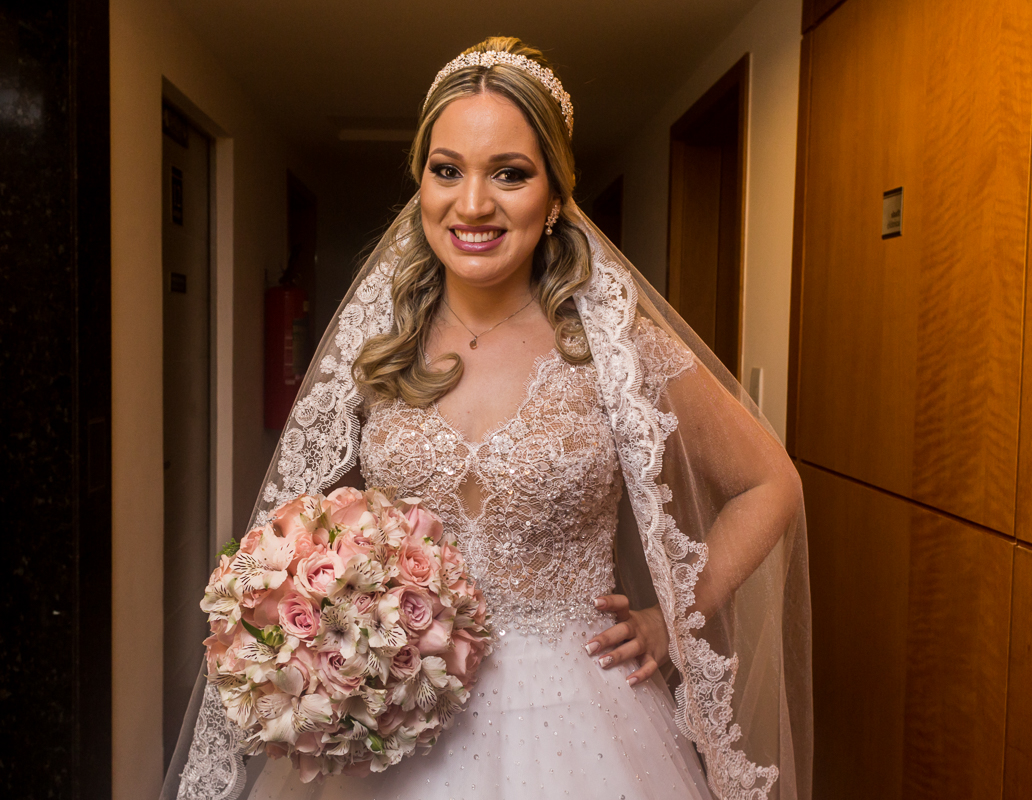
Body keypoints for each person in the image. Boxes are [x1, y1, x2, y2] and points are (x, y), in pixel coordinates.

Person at [164, 36, 812, 800]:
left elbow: (771, 483)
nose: (472, 204)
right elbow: (306, 527)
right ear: (421, 182)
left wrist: (671, 620)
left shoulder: (614, 339)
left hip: (583, 720)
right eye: (447, 171)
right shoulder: (380, 343)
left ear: (555, 194)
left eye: (510, 173)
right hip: (400, 725)